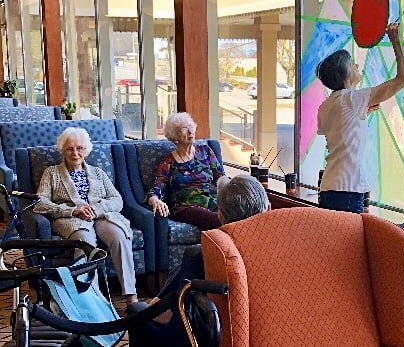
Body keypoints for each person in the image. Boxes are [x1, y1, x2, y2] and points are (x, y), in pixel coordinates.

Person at [129, 174, 270, 344]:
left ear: (219, 216)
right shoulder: (285, 252)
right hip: (268, 336)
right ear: (268, 208)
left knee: (137, 310)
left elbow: (166, 315)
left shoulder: (200, 257)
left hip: (200, 338)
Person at [34, 127, 137, 305]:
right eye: (70, 149)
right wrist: (73, 210)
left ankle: (131, 296)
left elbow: (117, 199)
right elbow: (40, 204)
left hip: (100, 216)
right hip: (71, 220)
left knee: (119, 236)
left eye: (79, 148)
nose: (75, 153)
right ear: (62, 150)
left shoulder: (98, 172)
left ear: (86, 150)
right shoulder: (51, 173)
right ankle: (91, 299)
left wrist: (96, 209)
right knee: (85, 241)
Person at [316, 22, 404, 213]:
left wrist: (361, 114)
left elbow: (339, 134)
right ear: (345, 74)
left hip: (329, 188)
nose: (357, 65)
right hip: (347, 191)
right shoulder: (352, 99)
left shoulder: (326, 105)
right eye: (352, 64)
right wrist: (396, 41)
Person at [146, 112, 225, 230]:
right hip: (187, 207)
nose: (190, 131)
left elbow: (222, 178)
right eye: (184, 129)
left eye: (191, 127)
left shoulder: (205, 151)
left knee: (239, 215)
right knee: (220, 220)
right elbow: (157, 188)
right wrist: (154, 199)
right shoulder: (168, 162)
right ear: (174, 136)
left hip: (212, 201)